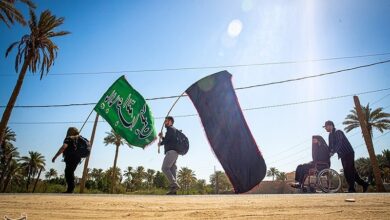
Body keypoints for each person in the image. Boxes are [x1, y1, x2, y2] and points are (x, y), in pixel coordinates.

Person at [324, 120, 369, 193]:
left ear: (330, 125)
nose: (325, 128)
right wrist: (327, 153)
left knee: (349, 170)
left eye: (326, 127)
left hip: (348, 152)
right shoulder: (330, 135)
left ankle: (352, 189)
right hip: (342, 155)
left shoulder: (338, 132)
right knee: (351, 171)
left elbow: (339, 143)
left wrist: (333, 152)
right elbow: (330, 146)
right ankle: (364, 184)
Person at [52, 127, 82, 193]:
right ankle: (71, 189)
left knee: (68, 172)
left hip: (71, 158)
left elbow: (63, 147)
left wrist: (55, 156)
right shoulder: (79, 139)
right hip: (77, 158)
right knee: (70, 172)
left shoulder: (69, 138)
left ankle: (70, 189)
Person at [158, 116, 181, 195]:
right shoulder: (172, 130)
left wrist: (160, 143)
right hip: (175, 152)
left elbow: (166, 141)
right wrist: (162, 137)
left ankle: (174, 185)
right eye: (165, 121)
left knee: (164, 168)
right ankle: (173, 191)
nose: (165, 122)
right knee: (172, 169)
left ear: (170, 122)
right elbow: (169, 140)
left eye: (166, 121)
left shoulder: (170, 129)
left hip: (171, 152)